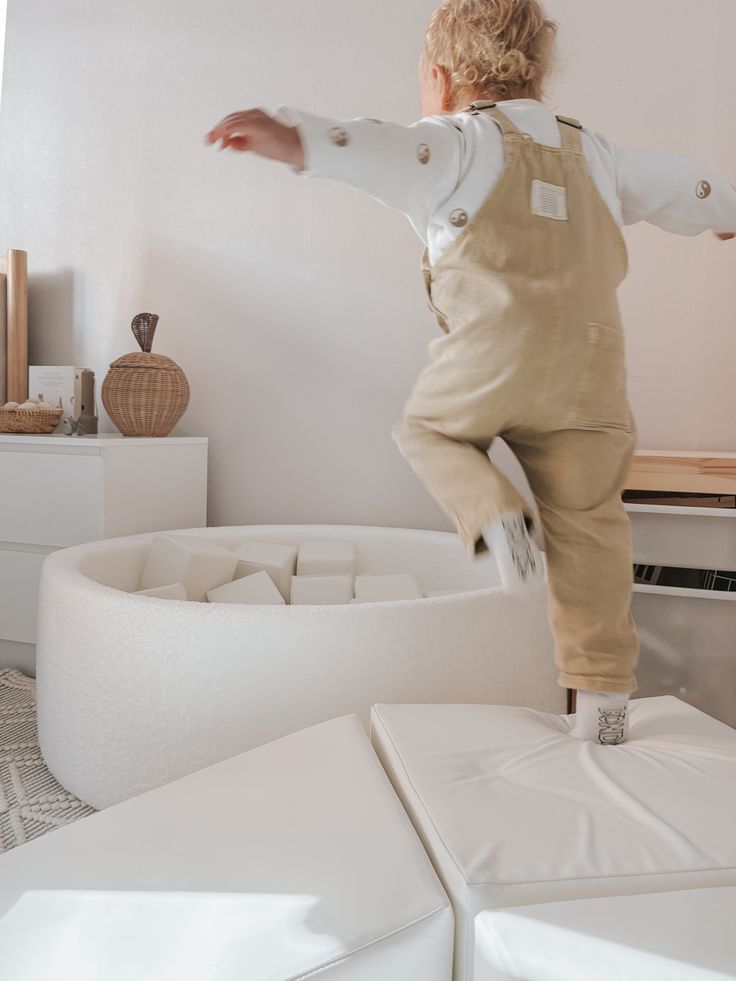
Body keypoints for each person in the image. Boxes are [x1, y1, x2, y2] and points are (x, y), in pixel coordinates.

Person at [205, 0, 736, 744]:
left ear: (442, 77)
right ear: (540, 71)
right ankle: (605, 701)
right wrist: (724, 210)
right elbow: (681, 183)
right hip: (590, 378)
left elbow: (375, 147)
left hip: (496, 359)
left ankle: (499, 524)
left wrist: (294, 137)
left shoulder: (452, 144)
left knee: (428, 430)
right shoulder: (599, 154)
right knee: (591, 529)